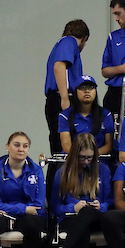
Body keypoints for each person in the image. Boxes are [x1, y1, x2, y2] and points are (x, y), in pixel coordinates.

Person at [47, 133, 113, 248]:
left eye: (90, 158)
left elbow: (112, 201)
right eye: (82, 158)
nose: (86, 162)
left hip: (97, 217)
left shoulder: (103, 170)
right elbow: (54, 208)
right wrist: (72, 207)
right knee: (82, 223)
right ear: (75, 155)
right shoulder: (62, 173)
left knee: (87, 212)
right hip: (71, 218)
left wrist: (102, 205)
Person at [44, 19, 90, 155]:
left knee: (58, 146)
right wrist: (65, 98)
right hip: (62, 98)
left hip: (57, 98)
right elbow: (59, 66)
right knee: (64, 148)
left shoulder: (59, 45)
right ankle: (58, 176)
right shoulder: (68, 42)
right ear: (84, 39)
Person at [57, 75, 114, 157]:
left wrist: (90, 156)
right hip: (73, 159)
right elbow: (66, 145)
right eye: (82, 87)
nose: (87, 91)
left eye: (91, 87)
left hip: (98, 159)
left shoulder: (105, 114)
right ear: (75, 91)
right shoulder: (65, 116)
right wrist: (81, 156)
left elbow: (109, 145)